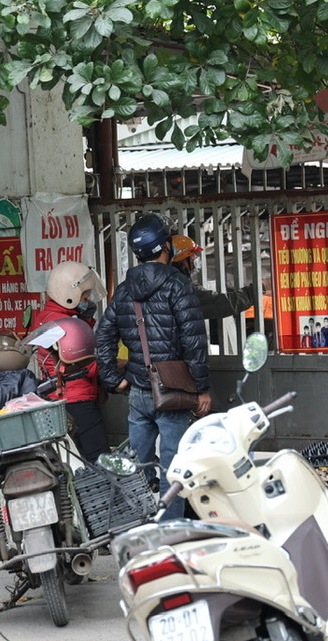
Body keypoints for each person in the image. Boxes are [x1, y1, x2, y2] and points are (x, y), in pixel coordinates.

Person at [96, 215, 210, 520]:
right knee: (173, 468)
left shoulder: (123, 290)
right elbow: (194, 339)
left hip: (138, 392)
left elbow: (104, 334)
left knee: (137, 466)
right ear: (166, 247)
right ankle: (169, 529)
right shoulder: (178, 286)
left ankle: (138, 525)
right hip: (173, 392)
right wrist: (201, 388)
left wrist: (112, 379)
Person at [30, 261, 110, 462]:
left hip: (58, 397)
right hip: (76, 398)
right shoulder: (66, 326)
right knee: (100, 461)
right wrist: (116, 367)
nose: (88, 300)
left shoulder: (48, 316)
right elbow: (86, 366)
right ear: (69, 295)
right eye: (84, 296)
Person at [169, 234, 256, 320]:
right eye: (192, 254)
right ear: (182, 259)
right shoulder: (182, 289)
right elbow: (222, 304)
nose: (195, 258)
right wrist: (254, 291)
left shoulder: (167, 282)